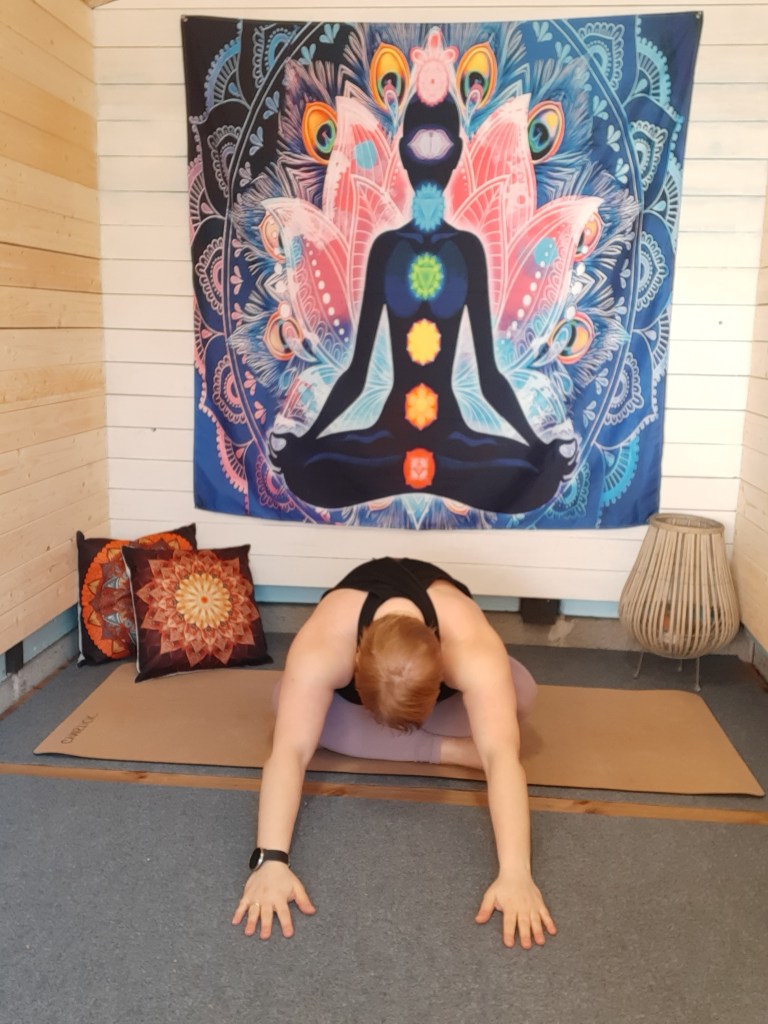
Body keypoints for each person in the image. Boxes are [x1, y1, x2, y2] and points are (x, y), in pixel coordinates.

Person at [269, 49, 576, 512]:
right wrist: (308, 438)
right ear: (402, 154)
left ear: (456, 154)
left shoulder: (468, 250)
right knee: (306, 466)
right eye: (420, 144)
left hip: (454, 442)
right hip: (385, 440)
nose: (430, 157)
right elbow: (356, 374)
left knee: (537, 473)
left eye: (439, 145)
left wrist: (536, 445)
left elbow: (490, 377)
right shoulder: (386, 248)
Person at [232, 556, 556, 949]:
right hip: (350, 683)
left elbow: (503, 757)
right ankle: (447, 750)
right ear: (354, 664)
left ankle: (413, 737)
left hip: (445, 672)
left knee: (521, 693)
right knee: (284, 701)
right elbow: (290, 751)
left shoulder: (469, 647)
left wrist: (516, 874)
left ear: (443, 674)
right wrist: (271, 861)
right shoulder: (324, 646)